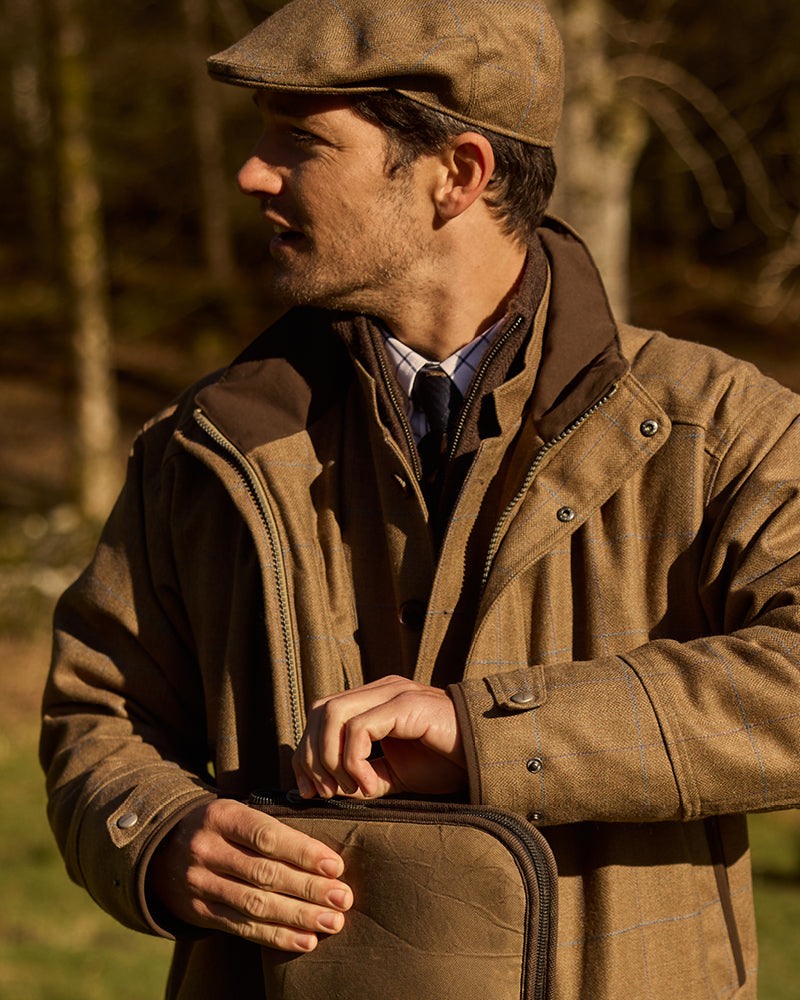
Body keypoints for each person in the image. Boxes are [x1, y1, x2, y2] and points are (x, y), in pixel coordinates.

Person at [40, 0, 800, 997]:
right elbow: (98, 713)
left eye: (301, 140)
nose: (252, 173)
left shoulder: (721, 429)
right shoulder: (202, 449)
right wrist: (158, 835)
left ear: (458, 174)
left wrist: (493, 733)